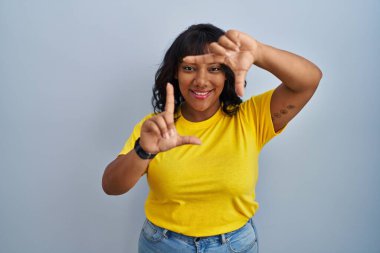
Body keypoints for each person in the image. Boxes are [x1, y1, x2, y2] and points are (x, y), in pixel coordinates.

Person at [102, 23, 322, 253]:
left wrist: (259, 52)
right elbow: (111, 186)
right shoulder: (155, 127)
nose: (201, 80)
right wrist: (143, 151)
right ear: (175, 74)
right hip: (163, 245)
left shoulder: (251, 118)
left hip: (234, 246)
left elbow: (309, 80)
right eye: (189, 68)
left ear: (228, 74)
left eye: (214, 68)